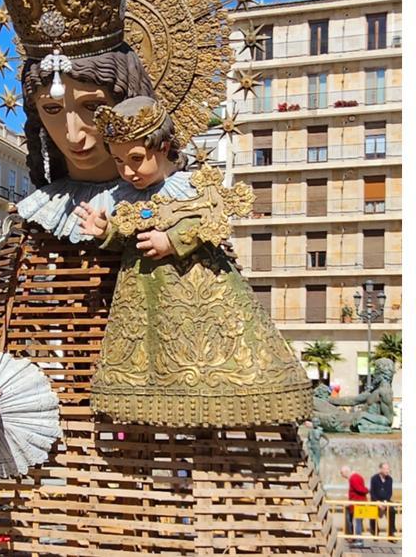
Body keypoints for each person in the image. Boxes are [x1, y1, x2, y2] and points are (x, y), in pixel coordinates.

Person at [76, 97, 311, 428]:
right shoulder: (125, 195)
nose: (127, 171)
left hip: (197, 293)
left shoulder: (191, 186)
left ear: (163, 147)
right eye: (119, 162)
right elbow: (127, 234)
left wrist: (172, 241)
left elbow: (209, 221)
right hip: (143, 299)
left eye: (136, 159)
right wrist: (106, 230)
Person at [342, 465, 368, 548]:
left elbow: (360, 489)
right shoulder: (356, 477)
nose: (342, 475)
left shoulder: (353, 478)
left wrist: (368, 490)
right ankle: (357, 539)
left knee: (358, 523)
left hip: (358, 505)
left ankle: (359, 541)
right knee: (357, 522)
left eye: (342, 473)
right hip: (357, 504)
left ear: (346, 472)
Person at [369, 462, 394, 535]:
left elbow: (389, 492)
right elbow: (372, 492)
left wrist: (385, 502)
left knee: (392, 510)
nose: (387, 471)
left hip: (386, 501)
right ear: (380, 469)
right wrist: (377, 502)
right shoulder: (374, 478)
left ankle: (391, 532)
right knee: (371, 510)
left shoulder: (390, 479)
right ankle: (375, 532)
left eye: (388, 469)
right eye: (385, 469)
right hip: (376, 500)